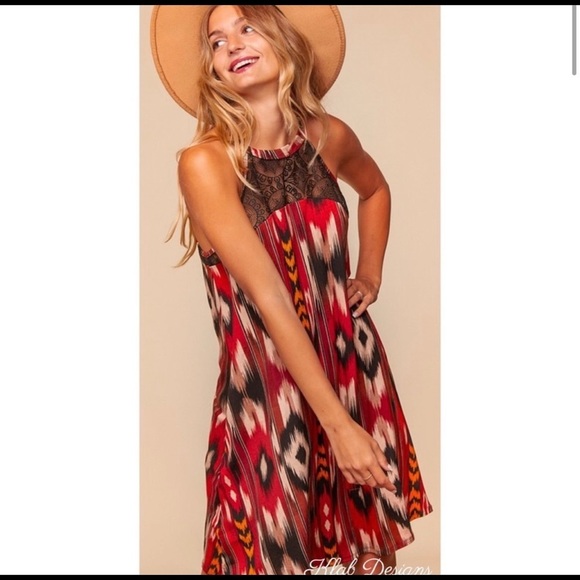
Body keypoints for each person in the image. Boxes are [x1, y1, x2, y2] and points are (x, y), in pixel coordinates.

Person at [150, 5, 433, 575]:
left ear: (283, 39)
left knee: (367, 558)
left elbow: (375, 190)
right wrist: (338, 428)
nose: (232, 45)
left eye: (247, 27)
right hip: (268, 397)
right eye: (217, 41)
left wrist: (369, 275)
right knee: (270, 555)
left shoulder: (329, 136)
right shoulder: (206, 163)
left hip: (349, 372)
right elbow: (271, 298)